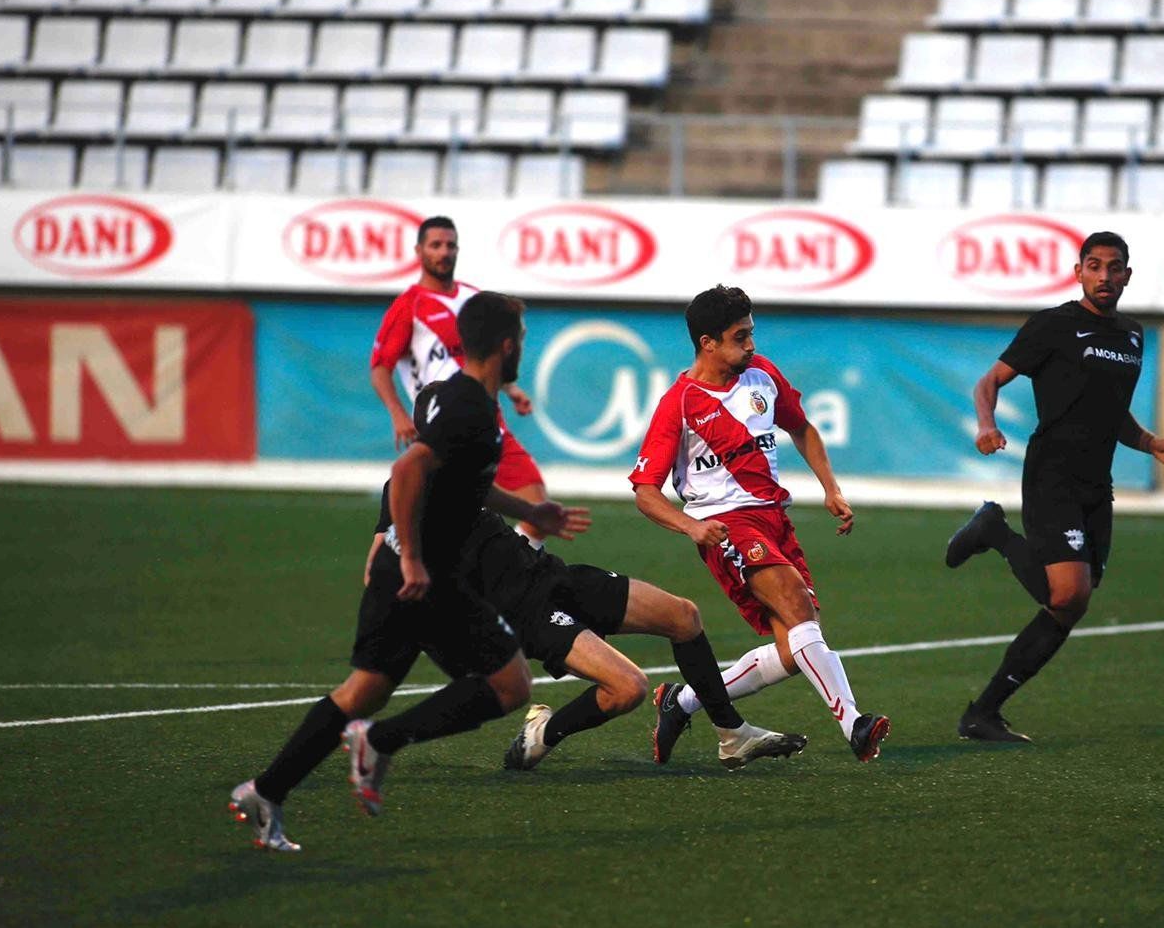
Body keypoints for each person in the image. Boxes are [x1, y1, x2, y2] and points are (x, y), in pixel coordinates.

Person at [229, 293, 589, 853]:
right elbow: (406, 470)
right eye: (520, 335)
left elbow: (462, 484)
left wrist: (529, 511)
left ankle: (266, 791)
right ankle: (380, 743)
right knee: (510, 683)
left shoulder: (453, 397)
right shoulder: (472, 407)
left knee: (362, 690)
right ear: (507, 345)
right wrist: (417, 558)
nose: (523, 345)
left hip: (398, 569)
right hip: (425, 576)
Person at [943, 231, 1164, 744]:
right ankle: (993, 530)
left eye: (1114, 267)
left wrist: (1150, 442)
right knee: (1068, 593)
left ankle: (984, 713)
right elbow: (989, 381)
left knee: (1070, 606)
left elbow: (1109, 414)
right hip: (1052, 475)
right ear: (1078, 271)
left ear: (1128, 275)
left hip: (1095, 483)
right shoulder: (1053, 325)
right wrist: (985, 424)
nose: (1104, 276)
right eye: (1094, 266)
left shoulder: (1132, 335)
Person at [631, 285, 891, 763]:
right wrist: (691, 526)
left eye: (751, 334)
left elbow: (803, 427)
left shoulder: (762, 373)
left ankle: (681, 701)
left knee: (796, 648)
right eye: (740, 336)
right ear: (707, 342)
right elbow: (646, 492)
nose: (751, 345)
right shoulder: (680, 403)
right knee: (797, 609)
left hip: (775, 520)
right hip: (727, 526)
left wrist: (830, 488)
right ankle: (854, 723)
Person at [360, 496, 809, 772]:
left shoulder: (470, 466)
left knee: (683, 616)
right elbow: (380, 572)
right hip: (523, 613)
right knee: (629, 687)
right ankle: (545, 732)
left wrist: (533, 527)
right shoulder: (405, 492)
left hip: (553, 576)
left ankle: (731, 736)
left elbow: (505, 523)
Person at [370, 215, 553, 543]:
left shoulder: (473, 298)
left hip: (489, 419)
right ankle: (393, 555)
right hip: (444, 422)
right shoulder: (408, 307)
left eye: (450, 245)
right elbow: (380, 367)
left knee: (539, 510)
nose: (444, 252)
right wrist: (398, 415)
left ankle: (511, 576)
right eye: (435, 245)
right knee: (443, 523)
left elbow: (488, 352)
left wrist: (510, 388)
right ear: (419, 251)